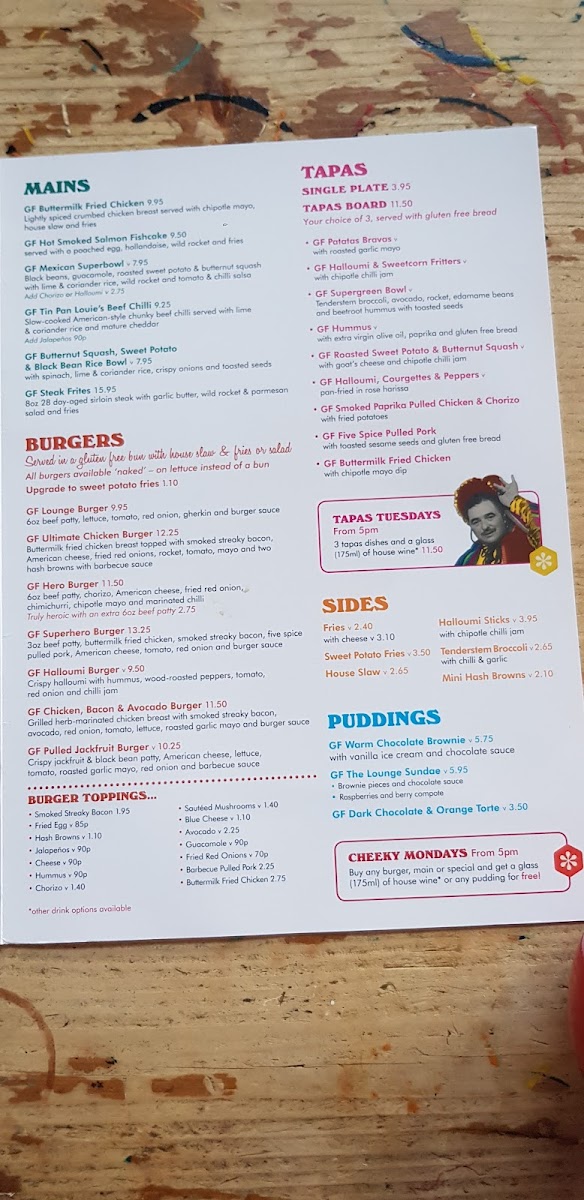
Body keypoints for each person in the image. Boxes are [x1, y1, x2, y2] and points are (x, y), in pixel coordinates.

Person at [454, 474, 541, 566]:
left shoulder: (527, 541)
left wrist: (515, 502)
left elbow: (547, 531)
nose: (485, 526)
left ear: (504, 515)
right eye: (476, 522)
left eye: (490, 517)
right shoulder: (467, 560)